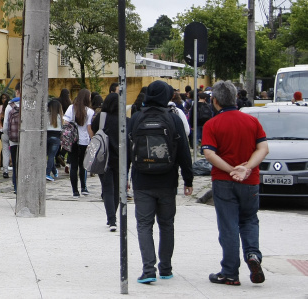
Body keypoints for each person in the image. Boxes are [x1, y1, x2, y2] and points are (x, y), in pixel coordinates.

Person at [202, 80, 269, 286]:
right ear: (235, 98)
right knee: (249, 219)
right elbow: (263, 148)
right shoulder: (252, 122)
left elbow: (209, 153)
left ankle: (230, 272)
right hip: (250, 181)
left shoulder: (212, 124)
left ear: (215, 101)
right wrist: (246, 168)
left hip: (223, 181)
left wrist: (231, 169)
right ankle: (253, 255)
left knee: (228, 225)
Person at [129, 80, 194, 284]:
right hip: (167, 180)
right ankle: (165, 268)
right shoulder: (173, 119)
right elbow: (184, 151)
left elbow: (127, 150)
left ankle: (148, 270)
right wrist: (188, 179)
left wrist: (125, 178)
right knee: (166, 225)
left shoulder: (137, 117)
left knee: (144, 225)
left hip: (142, 181)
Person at [92, 93, 122, 231]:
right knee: (116, 189)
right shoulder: (123, 119)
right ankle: (113, 217)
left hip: (103, 157)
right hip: (119, 158)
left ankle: (112, 220)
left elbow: (93, 129)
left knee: (107, 189)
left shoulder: (101, 117)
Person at [63, 88, 94, 197]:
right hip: (84, 141)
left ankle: (75, 191)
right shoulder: (90, 111)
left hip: (72, 141)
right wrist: (93, 139)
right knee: (83, 165)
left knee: (73, 166)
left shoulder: (71, 108)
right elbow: (89, 128)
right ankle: (84, 187)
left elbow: (66, 122)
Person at [1, 83, 21, 192]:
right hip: (26, 141)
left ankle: (16, 187)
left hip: (13, 141)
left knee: (15, 164)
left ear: (17, 91)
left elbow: (5, 126)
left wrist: (9, 136)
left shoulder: (10, 105)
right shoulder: (29, 103)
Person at [0, 93, 12, 178]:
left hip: (4, 133)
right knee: (14, 151)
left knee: (5, 151)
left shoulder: (2, 112)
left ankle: (5, 170)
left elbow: (0, 122)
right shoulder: (12, 109)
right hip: (12, 133)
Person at [45, 99, 63, 181]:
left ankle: (54, 171)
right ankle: (47, 173)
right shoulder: (60, 117)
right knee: (51, 156)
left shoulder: (46, 115)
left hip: (46, 136)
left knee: (49, 156)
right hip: (56, 137)